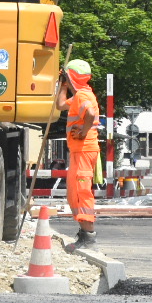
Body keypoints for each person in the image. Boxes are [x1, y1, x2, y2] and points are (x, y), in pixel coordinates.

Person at [56, 58, 100, 248]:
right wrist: (62, 85)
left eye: (67, 76)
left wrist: (82, 132)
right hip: (79, 150)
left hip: (84, 150)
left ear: (72, 75)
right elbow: (60, 105)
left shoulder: (82, 96)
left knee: (82, 193)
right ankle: (84, 234)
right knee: (75, 192)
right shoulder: (81, 94)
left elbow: (89, 114)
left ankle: (88, 237)